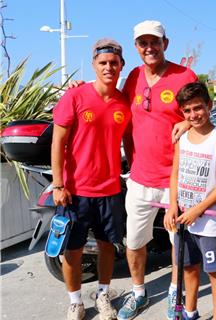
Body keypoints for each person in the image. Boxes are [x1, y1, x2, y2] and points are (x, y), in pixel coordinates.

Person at [117, 20, 198, 320]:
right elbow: (114, 105)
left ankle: (175, 292)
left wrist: (188, 121)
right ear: (136, 47)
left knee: (179, 241)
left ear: (166, 43)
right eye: (143, 43)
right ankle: (138, 292)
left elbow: (203, 109)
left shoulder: (184, 75)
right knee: (135, 241)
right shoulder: (134, 77)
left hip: (175, 179)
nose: (149, 47)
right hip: (140, 177)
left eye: (155, 42)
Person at [51, 38, 130, 320]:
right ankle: (75, 302)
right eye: (103, 63)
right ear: (94, 65)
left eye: (114, 62)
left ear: (122, 65)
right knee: (73, 251)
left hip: (109, 189)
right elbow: (57, 142)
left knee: (108, 247)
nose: (109, 67)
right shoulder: (75, 96)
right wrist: (59, 185)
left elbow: (134, 139)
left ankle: (103, 295)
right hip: (76, 191)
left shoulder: (124, 101)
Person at [164, 82, 216, 320]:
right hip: (183, 219)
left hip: (209, 222)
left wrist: (199, 210)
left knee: (213, 270)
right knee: (188, 268)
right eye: (187, 111)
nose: (193, 115)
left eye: (198, 108)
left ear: (209, 106)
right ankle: (190, 312)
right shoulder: (182, 138)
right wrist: (172, 204)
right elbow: (175, 174)